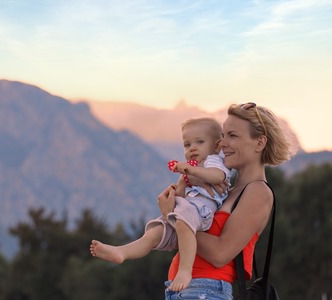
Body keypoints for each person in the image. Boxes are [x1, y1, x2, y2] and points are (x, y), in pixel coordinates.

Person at [158, 102, 292, 299]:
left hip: (205, 291)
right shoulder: (228, 190)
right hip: (185, 290)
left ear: (260, 143)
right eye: (222, 135)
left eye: (232, 136)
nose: (222, 143)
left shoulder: (258, 192)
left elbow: (220, 254)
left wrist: (172, 215)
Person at [90, 117, 231, 292]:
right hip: (184, 211)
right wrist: (174, 192)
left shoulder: (214, 161)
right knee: (153, 233)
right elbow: (181, 191)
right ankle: (122, 252)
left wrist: (191, 170)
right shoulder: (191, 168)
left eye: (200, 142)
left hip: (202, 211)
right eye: (187, 145)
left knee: (183, 222)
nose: (192, 148)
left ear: (217, 145)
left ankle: (185, 270)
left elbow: (217, 177)